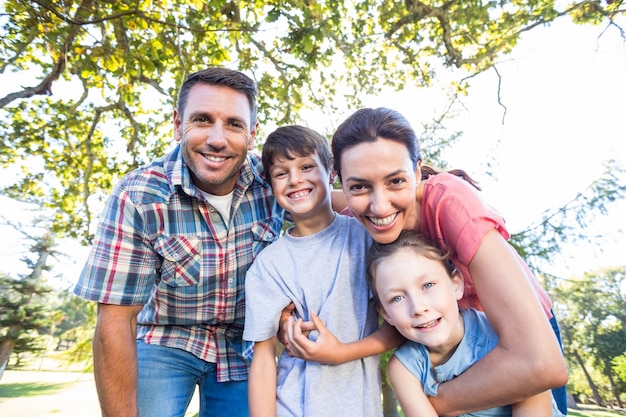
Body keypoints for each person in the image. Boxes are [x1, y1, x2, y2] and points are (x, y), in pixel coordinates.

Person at [282, 107, 569, 416]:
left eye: (395, 181)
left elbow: (540, 365)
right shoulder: (353, 221)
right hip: (433, 344)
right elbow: (307, 200)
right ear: (340, 181)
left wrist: (433, 403)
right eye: (359, 186)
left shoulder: (452, 204)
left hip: (503, 338)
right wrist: (284, 312)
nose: (379, 207)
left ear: (417, 173)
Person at [73, 67, 285, 417]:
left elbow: (331, 205)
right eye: (202, 120)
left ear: (251, 135)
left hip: (245, 345)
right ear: (177, 124)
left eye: (234, 124)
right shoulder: (139, 195)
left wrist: (409, 195)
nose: (217, 139)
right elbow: (115, 319)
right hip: (165, 339)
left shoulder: (274, 182)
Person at [243, 125, 399, 417]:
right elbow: (262, 360)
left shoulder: (366, 237)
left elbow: (400, 325)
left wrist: (342, 352)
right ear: (271, 184)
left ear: (331, 173)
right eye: (281, 173)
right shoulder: (268, 265)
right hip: (293, 406)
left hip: (359, 406)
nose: (295, 180)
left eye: (306, 166)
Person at [367, 229, 564, 417]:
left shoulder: (503, 336)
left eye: (428, 285)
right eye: (397, 298)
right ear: (386, 314)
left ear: (456, 285)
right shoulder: (405, 368)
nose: (418, 308)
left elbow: (534, 384)